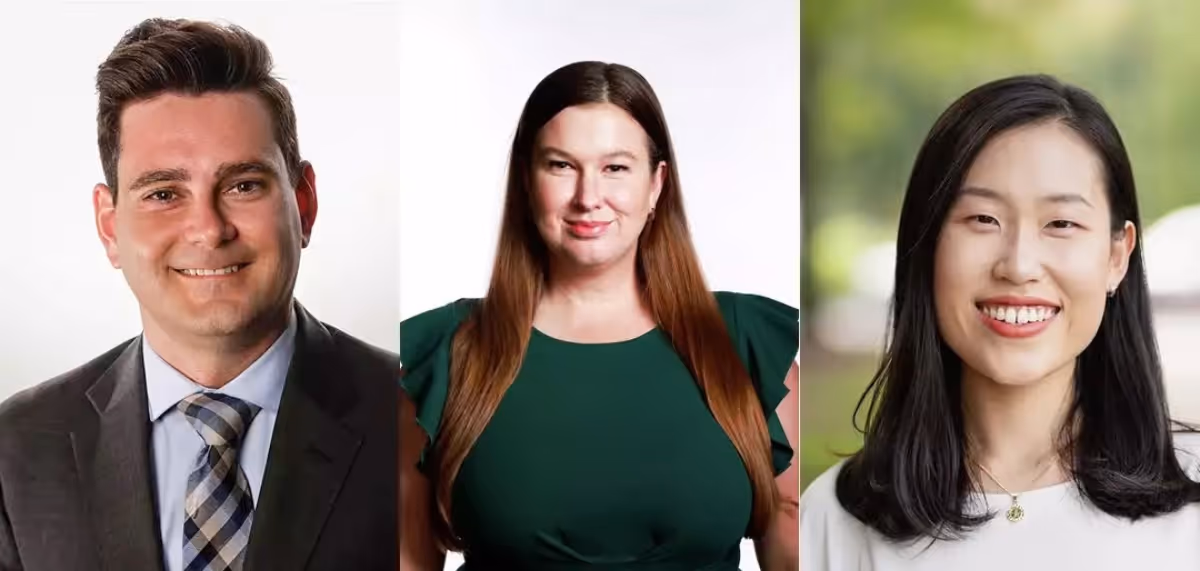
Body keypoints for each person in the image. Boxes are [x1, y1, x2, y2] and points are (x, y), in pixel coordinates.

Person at [0, 18, 397, 571]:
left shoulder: (411, 415)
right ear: (110, 226)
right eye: (164, 193)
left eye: (243, 185)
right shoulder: (17, 450)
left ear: (303, 204)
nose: (209, 229)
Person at [399, 61, 800, 570]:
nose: (589, 198)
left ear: (656, 184)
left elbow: (795, 530)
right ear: (527, 180)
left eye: (615, 168)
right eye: (561, 166)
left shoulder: (745, 344)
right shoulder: (444, 354)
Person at [799, 74, 1200, 570]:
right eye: (983, 219)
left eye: (1061, 224)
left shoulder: (1192, 508)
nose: (1018, 264)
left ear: (1117, 256)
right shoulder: (833, 520)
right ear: (926, 247)